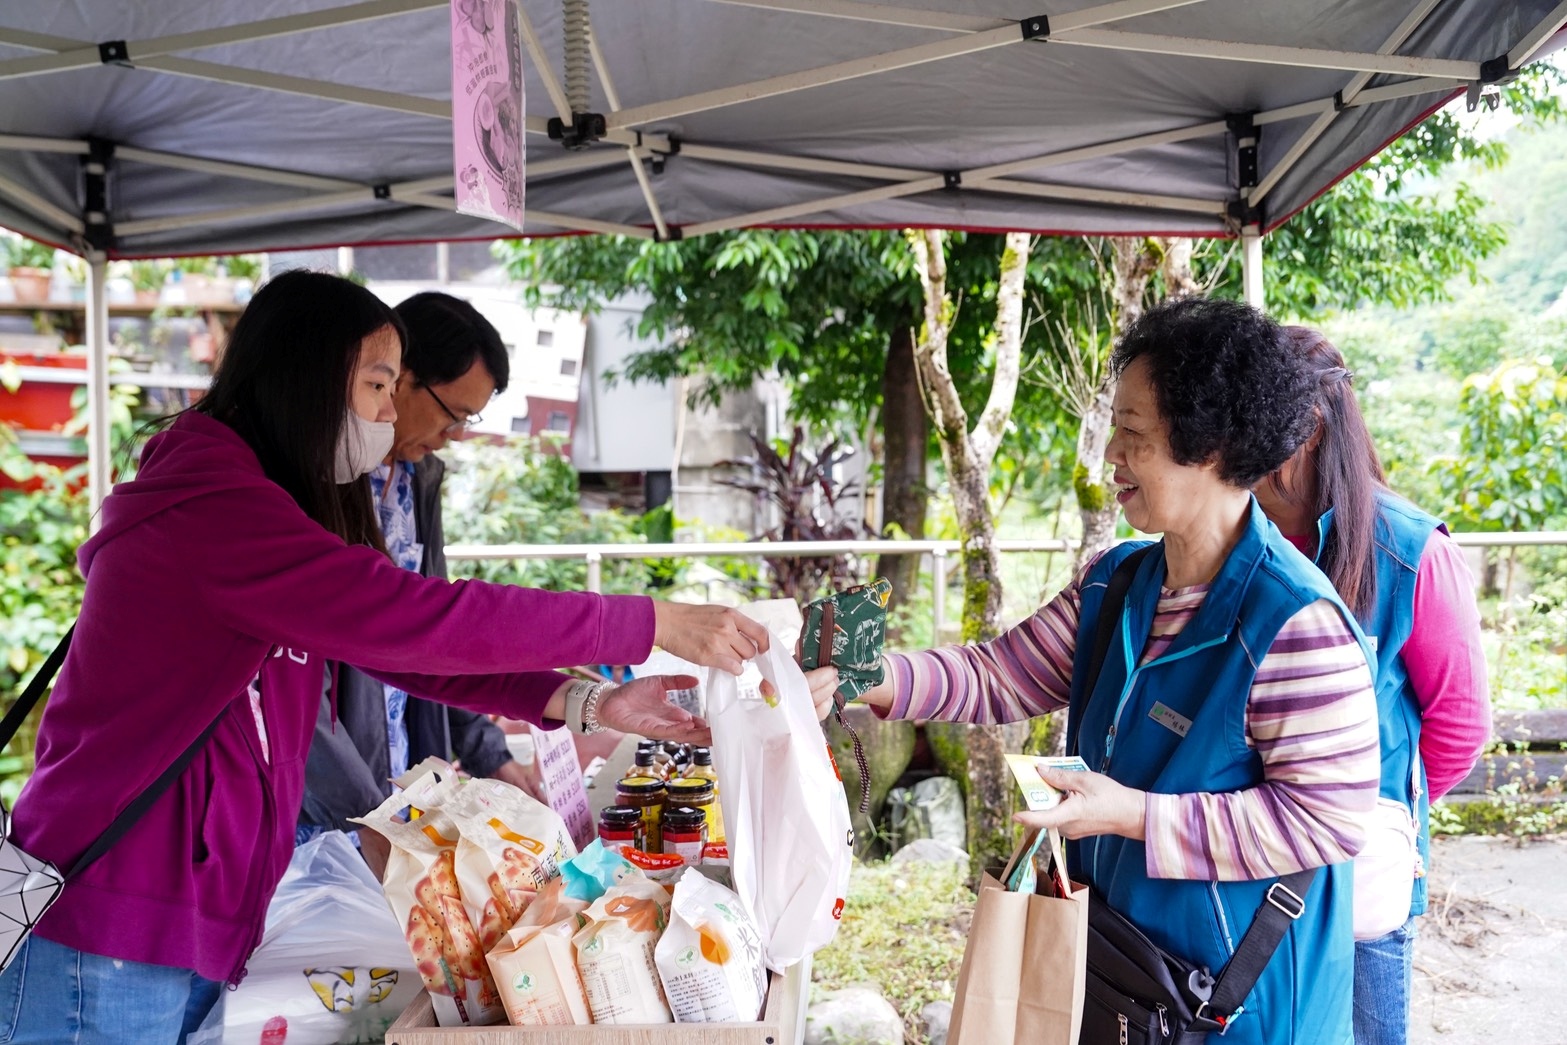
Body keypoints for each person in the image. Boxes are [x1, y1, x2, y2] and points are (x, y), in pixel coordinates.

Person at [0, 270, 768, 1044]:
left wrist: (590, 701)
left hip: (185, 911)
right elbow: (418, 618)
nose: (387, 413)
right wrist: (645, 621)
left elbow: (407, 652)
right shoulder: (216, 512)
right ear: (304, 376)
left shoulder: (259, 501)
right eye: (375, 384)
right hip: (113, 915)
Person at [815, 298, 1381, 1045]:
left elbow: (1327, 820)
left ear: (1211, 445)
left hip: (1242, 1003)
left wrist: (1130, 814)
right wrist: (863, 674)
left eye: (1133, 434)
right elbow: (997, 676)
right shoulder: (1116, 583)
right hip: (1123, 971)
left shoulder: (1294, 624)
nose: (1110, 454)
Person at [1252, 326, 1489, 1045]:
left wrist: (1376, 813)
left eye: (1249, 419)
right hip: (1243, 862)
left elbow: (1459, 727)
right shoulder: (1235, 537)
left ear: (1307, 428)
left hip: (1361, 880)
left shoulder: (1411, 550)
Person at [297, 292, 539, 876]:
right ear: (399, 378)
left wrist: (487, 751)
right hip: (327, 809)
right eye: (452, 413)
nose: (454, 435)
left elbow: (434, 638)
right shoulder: (318, 483)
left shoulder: (418, 477)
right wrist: (366, 816)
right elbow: (301, 693)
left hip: (397, 783)